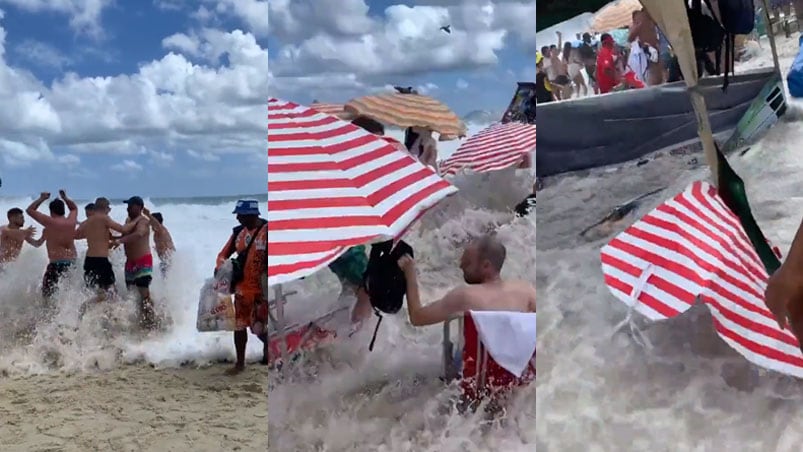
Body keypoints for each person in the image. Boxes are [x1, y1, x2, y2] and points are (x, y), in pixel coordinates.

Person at [215, 200, 268, 374]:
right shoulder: (238, 233)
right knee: (239, 326)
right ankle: (240, 363)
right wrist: (222, 268)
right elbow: (223, 254)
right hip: (241, 289)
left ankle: (268, 355)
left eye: (241, 215)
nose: (237, 218)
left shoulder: (269, 231)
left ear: (252, 215)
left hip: (262, 291)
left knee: (260, 327)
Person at [112, 196, 157, 330]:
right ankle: (139, 322)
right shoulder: (129, 220)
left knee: (144, 293)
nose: (128, 208)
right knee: (132, 294)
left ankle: (153, 321)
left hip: (143, 261)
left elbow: (138, 234)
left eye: (131, 205)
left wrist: (120, 241)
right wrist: (112, 240)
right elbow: (124, 233)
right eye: (128, 205)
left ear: (139, 207)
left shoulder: (143, 221)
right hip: (130, 263)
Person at [25, 190, 80, 299]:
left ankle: (49, 315)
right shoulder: (71, 221)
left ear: (51, 211)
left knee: (47, 294)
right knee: (69, 294)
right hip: (72, 263)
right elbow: (74, 208)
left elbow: (30, 210)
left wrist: (42, 198)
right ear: (63, 210)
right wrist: (65, 198)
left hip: (56, 264)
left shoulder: (50, 223)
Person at [75, 197, 132, 300]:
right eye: (108, 208)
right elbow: (122, 229)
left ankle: (90, 312)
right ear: (104, 208)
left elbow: (75, 235)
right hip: (101, 260)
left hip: (89, 260)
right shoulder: (104, 218)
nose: (109, 210)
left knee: (92, 291)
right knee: (111, 289)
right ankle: (112, 311)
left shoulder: (87, 221)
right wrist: (136, 221)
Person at [628, 9, 663, 86]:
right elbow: (630, 39)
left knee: (655, 74)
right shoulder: (638, 26)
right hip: (646, 51)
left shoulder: (651, 22)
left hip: (653, 50)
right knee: (650, 76)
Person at [144, 210, 175, 277]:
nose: (150, 223)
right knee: (164, 279)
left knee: (166, 278)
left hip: (168, 260)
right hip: (164, 261)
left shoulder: (161, 230)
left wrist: (148, 214)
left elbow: (157, 224)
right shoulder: (157, 233)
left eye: (151, 221)